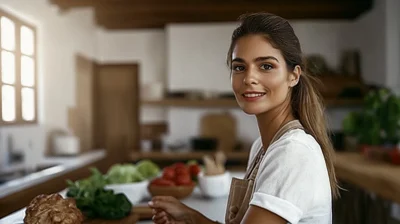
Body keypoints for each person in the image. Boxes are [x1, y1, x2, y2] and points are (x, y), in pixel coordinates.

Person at [149, 12, 339, 224]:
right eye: (239, 67)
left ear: (293, 75)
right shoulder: (261, 146)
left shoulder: (292, 152)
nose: (249, 78)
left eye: (266, 66)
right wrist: (192, 218)